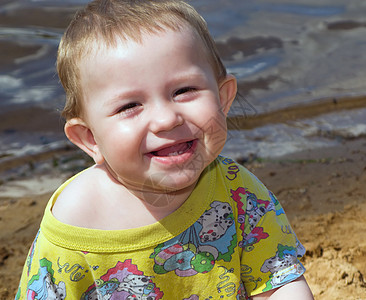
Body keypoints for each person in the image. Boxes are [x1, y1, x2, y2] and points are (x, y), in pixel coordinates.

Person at [15, 0, 314, 299]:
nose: (166, 119)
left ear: (223, 99)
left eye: (184, 90)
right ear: (90, 138)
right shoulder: (75, 223)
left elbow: (278, 282)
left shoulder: (238, 193)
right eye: (130, 106)